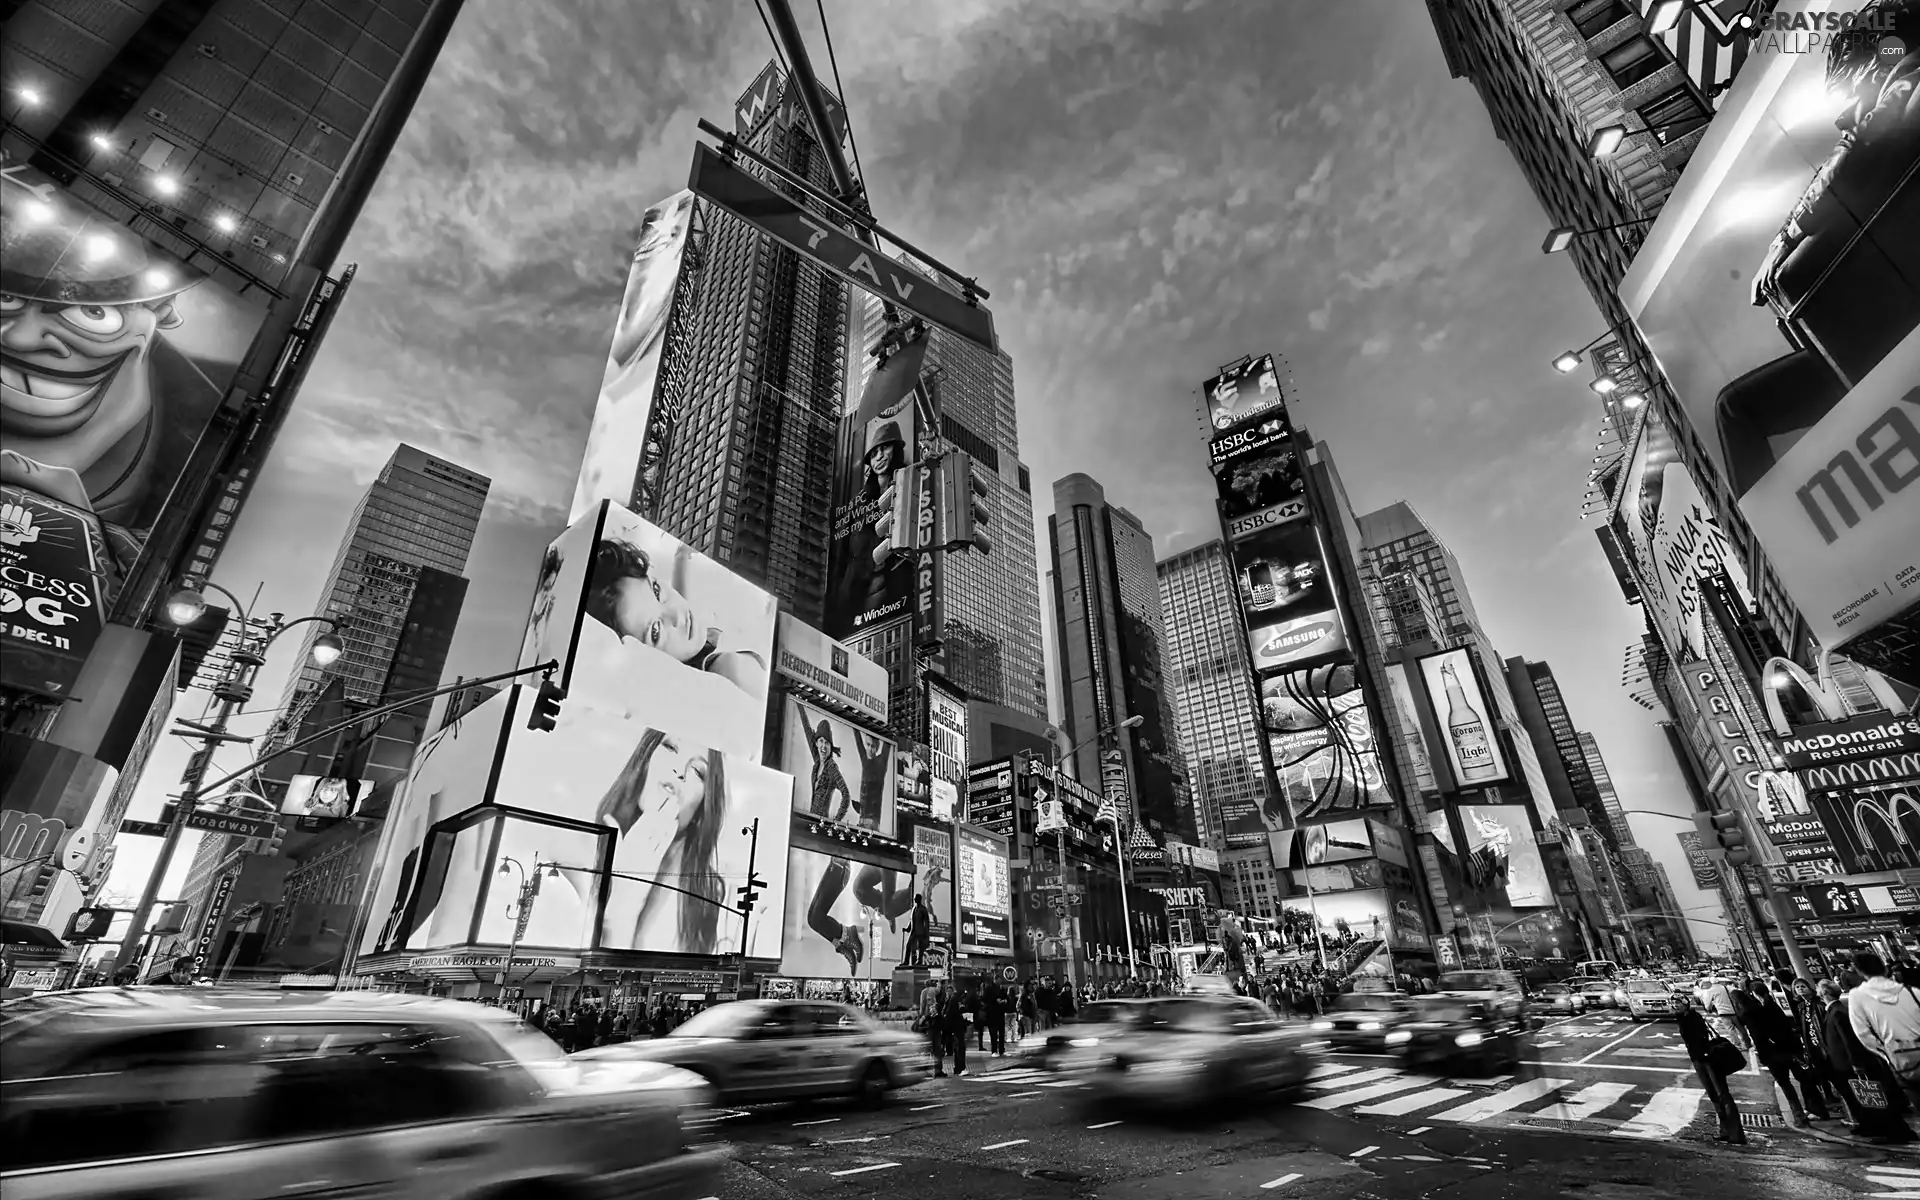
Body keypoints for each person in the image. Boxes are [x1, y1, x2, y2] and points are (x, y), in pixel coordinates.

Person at [583, 535, 767, 696]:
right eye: (655, 631)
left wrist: (681, 559)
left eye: (656, 590)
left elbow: (677, 603)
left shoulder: (688, 642)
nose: (678, 615)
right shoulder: (730, 668)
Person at [595, 733, 726, 953]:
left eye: (696, 771)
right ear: (645, 760)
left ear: (702, 809)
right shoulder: (587, 849)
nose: (679, 771)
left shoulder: (704, 894)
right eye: (669, 748)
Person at [1826, 974, 1917, 1144]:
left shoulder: (1841, 1010)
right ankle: (1881, 1128)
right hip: (1882, 1057)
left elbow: (1851, 1039)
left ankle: (1896, 1132)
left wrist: (1857, 1063)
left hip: (1873, 1060)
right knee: (1871, 1098)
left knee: (1877, 1098)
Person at [1741, 974, 1829, 1124]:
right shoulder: (1773, 1007)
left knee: (1786, 1084)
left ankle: (1799, 1115)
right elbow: (1787, 1028)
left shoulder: (1751, 1012)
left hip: (1773, 1054)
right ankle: (1818, 1110)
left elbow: (1757, 1036)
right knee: (1804, 1079)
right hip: (1789, 1050)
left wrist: (1762, 1054)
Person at [1847, 951, 1920, 1112]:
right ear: (1885, 969)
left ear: (1859, 972)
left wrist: (1886, 1053)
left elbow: (1863, 1034)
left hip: (1899, 1058)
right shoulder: (1911, 991)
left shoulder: (1857, 996)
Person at [1677, 992, 1747, 1144]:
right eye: (1673, 1004)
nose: (1674, 1006)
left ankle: (1736, 1134)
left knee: (1722, 1094)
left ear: (1685, 1004)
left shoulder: (1693, 1018)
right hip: (1699, 1060)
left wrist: (1703, 1053)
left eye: (1677, 1003)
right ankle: (1725, 1130)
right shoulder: (1682, 1018)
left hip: (1708, 1059)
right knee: (1715, 1096)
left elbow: (1699, 1038)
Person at [919, 980, 949, 1077]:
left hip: (930, 1024)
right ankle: (937, 1070)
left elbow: (923, 1006)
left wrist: (922, 1016)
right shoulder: (936, 992)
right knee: (936, 1049)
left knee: (928, 1049)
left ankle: (925, 1070)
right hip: (934, 1025)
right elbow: (933, 1009)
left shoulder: (925, 991)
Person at [941, 982, 972, 1077]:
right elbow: (957, 1012)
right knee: (960, 1047)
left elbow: (948, 1013)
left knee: (957, 1047)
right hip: (957, 1026)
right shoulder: (955, 1000)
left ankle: (957, 1068)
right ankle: (960, 1068)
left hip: (952, 1027)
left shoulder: (951, 1000)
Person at [903, 893, 932, 968]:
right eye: (914, 898)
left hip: (921, 931)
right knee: (908, 945)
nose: (914, 899)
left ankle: (919, 960)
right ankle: (906, 961)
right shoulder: (913, 909)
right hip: (913, 931)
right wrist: (907, 929)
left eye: (915, 898)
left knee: (920, 946)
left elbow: (926, 921)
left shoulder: (923, 909)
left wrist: (926, 932)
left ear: (919, 899)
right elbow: (911, 921)